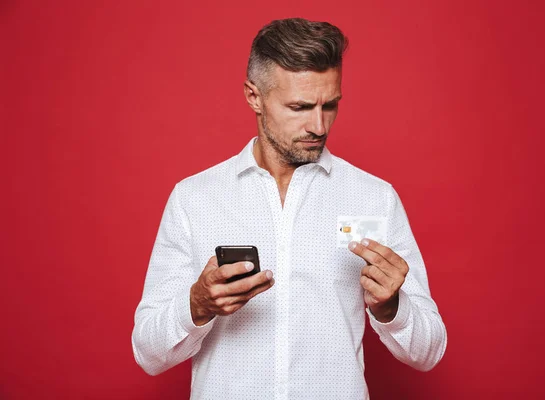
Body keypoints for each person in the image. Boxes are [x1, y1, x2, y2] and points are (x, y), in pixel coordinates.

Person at [132, 17, 447, 400]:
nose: (318, 124)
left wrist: (391, 308)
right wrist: (197, 306)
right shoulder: (194, 199)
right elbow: (148, 353)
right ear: (254, 97)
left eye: (329, 105)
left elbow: (429, 352)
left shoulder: (374, 198)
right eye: (299, 107)